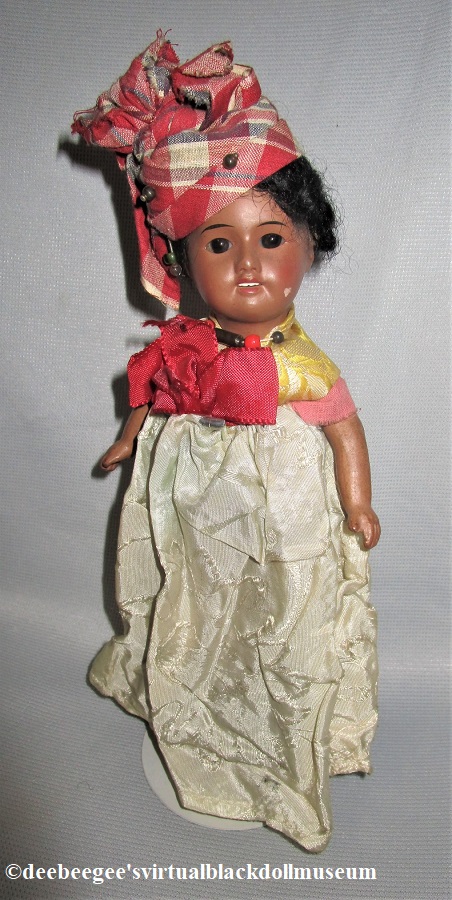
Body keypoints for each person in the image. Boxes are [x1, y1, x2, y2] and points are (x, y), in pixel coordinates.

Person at [73, 32, 380, 852]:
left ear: (308, 244)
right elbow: (155, 391)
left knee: (280, 616)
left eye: (270, 238)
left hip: (282, 525)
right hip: (191, 512)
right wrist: (127, 441)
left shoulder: (303, 365)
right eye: (219, 242)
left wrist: (357, 500)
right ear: (183, 258)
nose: (247, 263)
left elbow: (344, 425)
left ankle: (273, 737)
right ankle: (196, 703)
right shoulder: (188, 347)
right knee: (195, 603)